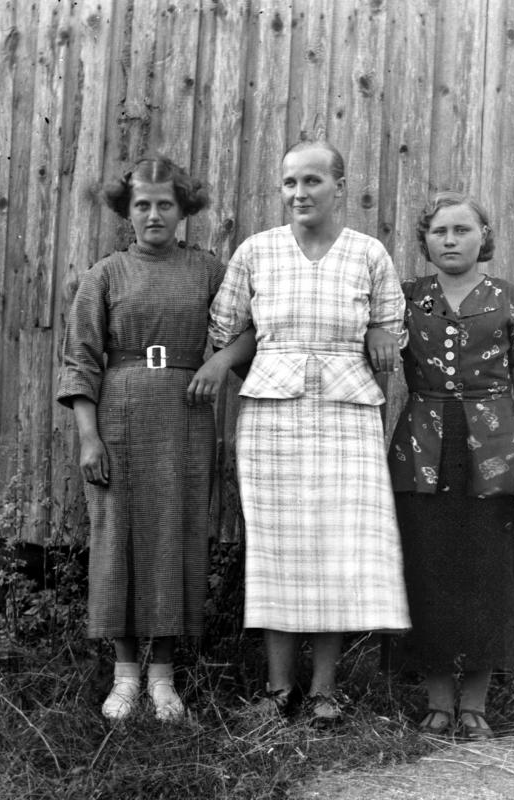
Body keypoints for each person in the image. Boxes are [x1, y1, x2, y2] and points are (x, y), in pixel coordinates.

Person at [188, 139, 410, 724]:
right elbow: (230, 332)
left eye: (312, 181)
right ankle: (277, 689)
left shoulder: (368, 253)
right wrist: (235, 363)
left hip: (347, 412)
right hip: (273, 416)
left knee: (337, 547)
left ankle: (323, 692)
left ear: (339, 186)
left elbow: (392, 327)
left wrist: (380, 334)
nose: (299, 193)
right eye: (290, 182)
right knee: (278, 549)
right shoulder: (257, 251)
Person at [57, 155, 252, 722]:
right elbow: (80, 361)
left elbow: (249, 331)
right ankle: (124, 677)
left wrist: (218, 362)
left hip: (186, 416)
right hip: (118, 415)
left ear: (183, 208)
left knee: (176, 534)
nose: (154, 214)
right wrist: (89, 438)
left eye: (165, 204)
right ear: (127, 211)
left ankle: (163, 678)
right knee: (116, 536)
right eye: (142, 204)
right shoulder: (106, 274)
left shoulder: (208, 271)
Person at [388, 191, 514, 739]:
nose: (450, 240)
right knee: (429, 567)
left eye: (462, 230)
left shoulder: (511, 300)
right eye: (439, 231)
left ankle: (475, 705)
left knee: (488, 572)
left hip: (495, 449)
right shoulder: (405, 298)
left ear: (483, 237)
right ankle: (439, 702)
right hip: (422, 447)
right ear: (425, 240)